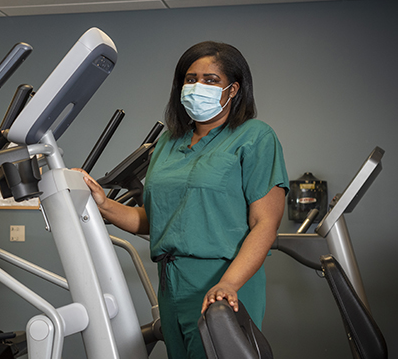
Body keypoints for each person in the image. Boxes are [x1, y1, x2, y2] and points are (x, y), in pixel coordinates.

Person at [78, 41, 288, 359]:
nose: (197, 87)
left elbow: (265, 224)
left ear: (233, 90)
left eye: (210, 79)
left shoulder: (255, 137)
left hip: (223, 280)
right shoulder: (167, 143)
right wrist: (103, 203)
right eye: (190, 79)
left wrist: (228, 284)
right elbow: (154, 221)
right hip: (171, 283)